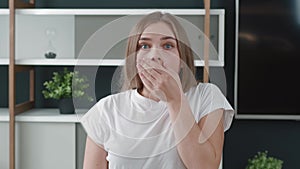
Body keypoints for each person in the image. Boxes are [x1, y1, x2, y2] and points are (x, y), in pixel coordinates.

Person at [80, 11, 234, 169]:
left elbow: (206, 166)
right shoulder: (105, 111)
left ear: (182, 60)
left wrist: (175, 100)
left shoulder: (207, 97)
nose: (155, 56)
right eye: (144, 46)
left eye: (168, 46)